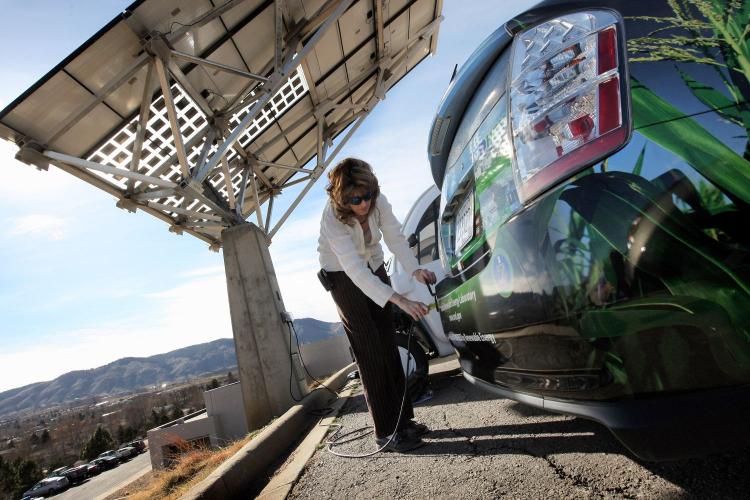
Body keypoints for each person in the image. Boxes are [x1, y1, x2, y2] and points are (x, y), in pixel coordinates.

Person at [318, 157, 437, 452]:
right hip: (343, 276)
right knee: (370, 349)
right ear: (342, 199)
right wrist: (397, 298)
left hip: (373, 265)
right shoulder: (332, 219)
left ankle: (403, 421)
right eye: (355, 199)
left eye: (367, 196)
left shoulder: (377, 200)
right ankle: (386, 432)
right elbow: (355, 272)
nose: (363, 205)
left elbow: (395, 237)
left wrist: (414, 269)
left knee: (387, 344)